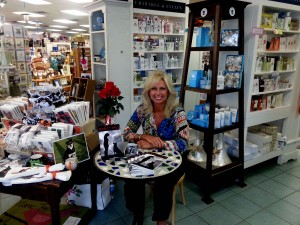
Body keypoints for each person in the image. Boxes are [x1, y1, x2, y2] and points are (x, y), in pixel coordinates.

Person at [123, 70, 189, 225]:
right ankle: (137, 215)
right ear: (148, 91)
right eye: (154, 88)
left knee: (163, 182)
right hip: (151, 155)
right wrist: (144, 137)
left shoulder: (177, 112)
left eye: (162, 88)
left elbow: (183, 143)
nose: (158, 93)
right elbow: (126, 133)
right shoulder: (143, 110)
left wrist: (155, 143)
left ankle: (161, 221)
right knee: (133, 178)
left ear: (169, 91)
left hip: (175, 158)